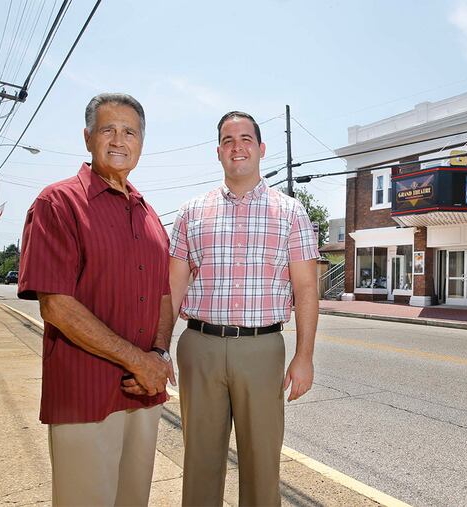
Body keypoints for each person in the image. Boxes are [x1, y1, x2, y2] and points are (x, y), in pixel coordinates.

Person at [17, 92, 176, 506]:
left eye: (130, 132)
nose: (119, 140)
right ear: (88, 138)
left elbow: (163, 292)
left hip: (143, 394)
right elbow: (57, 305)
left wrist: (158, 354)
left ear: (142, 142)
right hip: (85, 396)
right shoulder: (57, 203)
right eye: (108, 129)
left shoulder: (149, 213)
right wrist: (138, 360)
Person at [169, 111, 319, 506]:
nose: (238, 146)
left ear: (261, 149)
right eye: (229, 140)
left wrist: (304, 357)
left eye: (246, 138)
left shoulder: (291, 212)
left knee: (262, 463)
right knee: (199, 460)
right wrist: (157, 347)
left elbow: (305, 289)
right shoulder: (190, 212)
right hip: (199, 345)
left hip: (262, 349)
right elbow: (172, 286)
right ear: (218, 151)